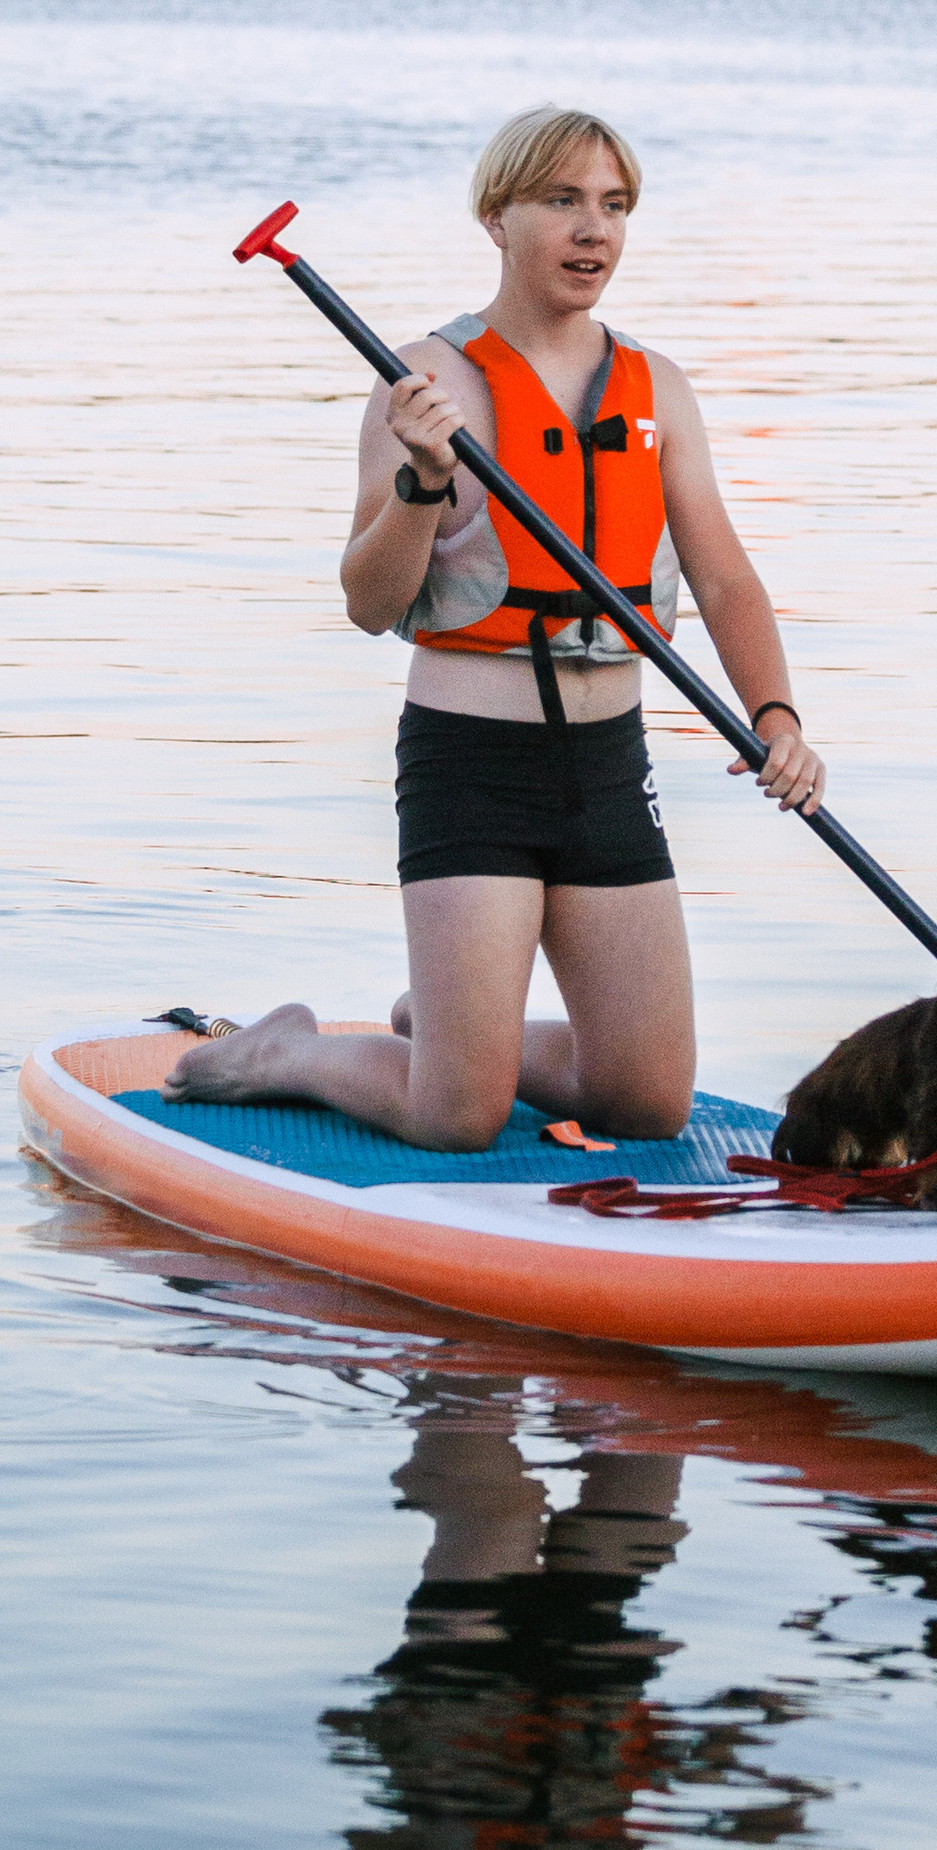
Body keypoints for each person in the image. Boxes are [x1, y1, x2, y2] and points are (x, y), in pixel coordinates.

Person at [169, 105, 823, 1146]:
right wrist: (425, 483)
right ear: (496, 217)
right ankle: (287, 1051)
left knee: (646, 1104)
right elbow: (369, 604)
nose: (591, 231)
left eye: (612, 206)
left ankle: (444, 1024)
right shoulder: (424, 382)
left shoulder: (660, 389)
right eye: (561, 201)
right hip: (471, 768)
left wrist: (776, 717)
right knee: (456, 1117)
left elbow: (726, 578)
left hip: (609, 771)